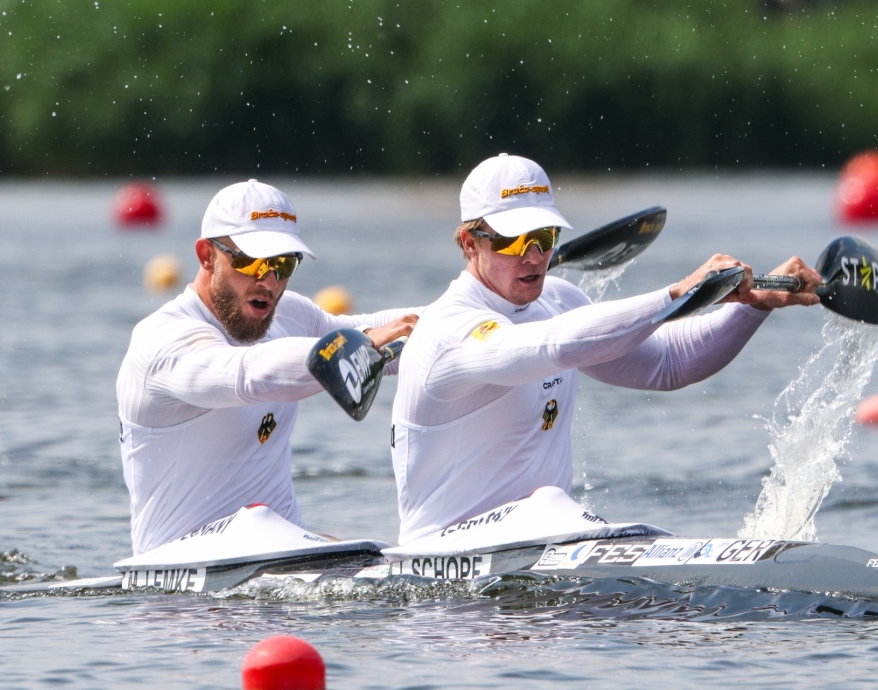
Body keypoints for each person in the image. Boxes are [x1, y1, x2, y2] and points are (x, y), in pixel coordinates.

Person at [390, 153, 821, 544]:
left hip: (541, 554)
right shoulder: (449, 329)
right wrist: (677, 293)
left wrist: (754, 307)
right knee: (550, 504)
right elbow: (552, 346)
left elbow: (668, 364)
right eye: (514, 240)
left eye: (545, 235)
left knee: (551, 505)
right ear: (470, 243)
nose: (535, 256)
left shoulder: (557, 301)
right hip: (446, 578)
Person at [117, 179, 417, 554]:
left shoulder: (291, 315)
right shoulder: (161, 341)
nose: (270, 281)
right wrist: (362, 343)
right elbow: (247, 376)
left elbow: (388, 330)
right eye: (251, 262)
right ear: (207, 255)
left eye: (283, 263)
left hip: (285, 568)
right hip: (182, 597)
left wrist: (473, 323)